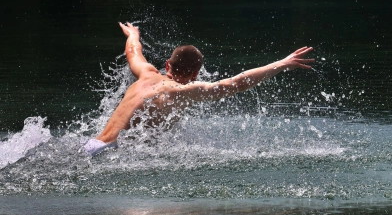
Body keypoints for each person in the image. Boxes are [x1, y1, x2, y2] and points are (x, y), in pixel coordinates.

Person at [83, 22, 315, 156]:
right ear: (195, 75)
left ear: (167, 65)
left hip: (91, 146)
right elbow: (235, 83)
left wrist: (133, 34)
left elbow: (133, 52)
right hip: (109, 155)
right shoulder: (179, 91)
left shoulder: (146, 73)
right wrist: (282, 63)